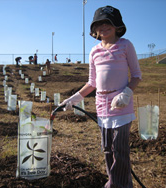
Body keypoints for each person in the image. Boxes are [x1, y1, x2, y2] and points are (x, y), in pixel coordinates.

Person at [60, 5, 142, 188]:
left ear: (117, 26)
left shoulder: (125, 45)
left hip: (121, 106)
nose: (104, 27)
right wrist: (74, 99)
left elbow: (137, 75)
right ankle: (118, 183)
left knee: (120, 149)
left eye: (108, 23)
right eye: (99, 24)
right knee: (107, 150)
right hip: (102, 106)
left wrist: (126, 93)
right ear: (94, 29)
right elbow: (92, 83)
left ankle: (117, 185)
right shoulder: (94, 51)